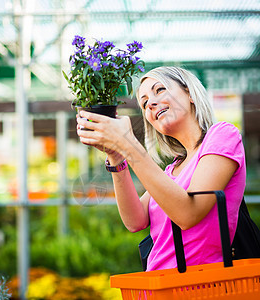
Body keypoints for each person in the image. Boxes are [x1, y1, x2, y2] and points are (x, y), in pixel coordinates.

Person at [76, 66, 246, 271]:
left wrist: (128, 143)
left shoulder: (222, 135)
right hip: (158, 284)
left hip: (199, 286)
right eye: (145, 103)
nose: (151, 104)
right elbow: (135, 221)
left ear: (190, 94)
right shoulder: (172, 169)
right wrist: (116, 155)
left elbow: (187, 214)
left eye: (160, 90)